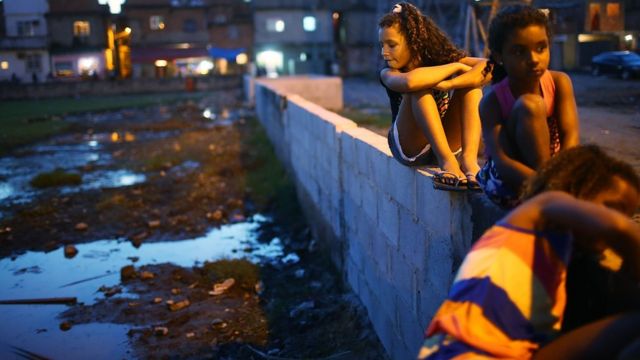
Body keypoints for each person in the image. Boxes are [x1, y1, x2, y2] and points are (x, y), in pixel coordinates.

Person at [418, 145, 640, 359]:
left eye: (627, 214)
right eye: (614, 207)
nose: (620, 218)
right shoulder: (542, 208)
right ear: (580, 186)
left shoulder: (556, 266)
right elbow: (618, 229)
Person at [378, 2, 490, 191]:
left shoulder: (439, 59)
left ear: (413, 43)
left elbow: (490, 67)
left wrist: (451, 83)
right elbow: (410, 82)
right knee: (419, 88)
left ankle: (469, 161)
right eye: (382, 45)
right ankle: (448, 163)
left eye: (392, 45)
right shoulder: (388, 72)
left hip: (446, 142)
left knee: (471, 86)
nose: (384, 52)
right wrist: (456, 66)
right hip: (408, 147)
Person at [477, 5, 579, 208]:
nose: (533, 59)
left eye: (541, 48)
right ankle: (550, 195)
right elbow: (503, 162)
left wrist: (561, 177)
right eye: (519, 51)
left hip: (555, 171)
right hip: (511, 179)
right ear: (499, 57)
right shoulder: (492, 102)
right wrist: (547, 185)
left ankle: (551, 193)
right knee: (530, 105)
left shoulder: (559, 82)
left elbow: (571, 138)